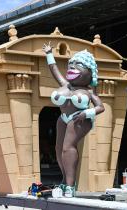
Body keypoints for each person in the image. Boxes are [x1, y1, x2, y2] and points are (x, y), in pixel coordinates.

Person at [42, 42, 105, 197]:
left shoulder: (89, 92)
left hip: (80, 120)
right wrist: (49, 53)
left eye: (78, 65)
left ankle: (70, 185)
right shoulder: (66, 85)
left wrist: (87, 113)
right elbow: (54, 70)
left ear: (90, 72)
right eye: (71, 65)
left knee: (68, 148)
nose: (72, 68)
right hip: (63, 119)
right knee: (59, 150)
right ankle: (65, 180)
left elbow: (100, 107)